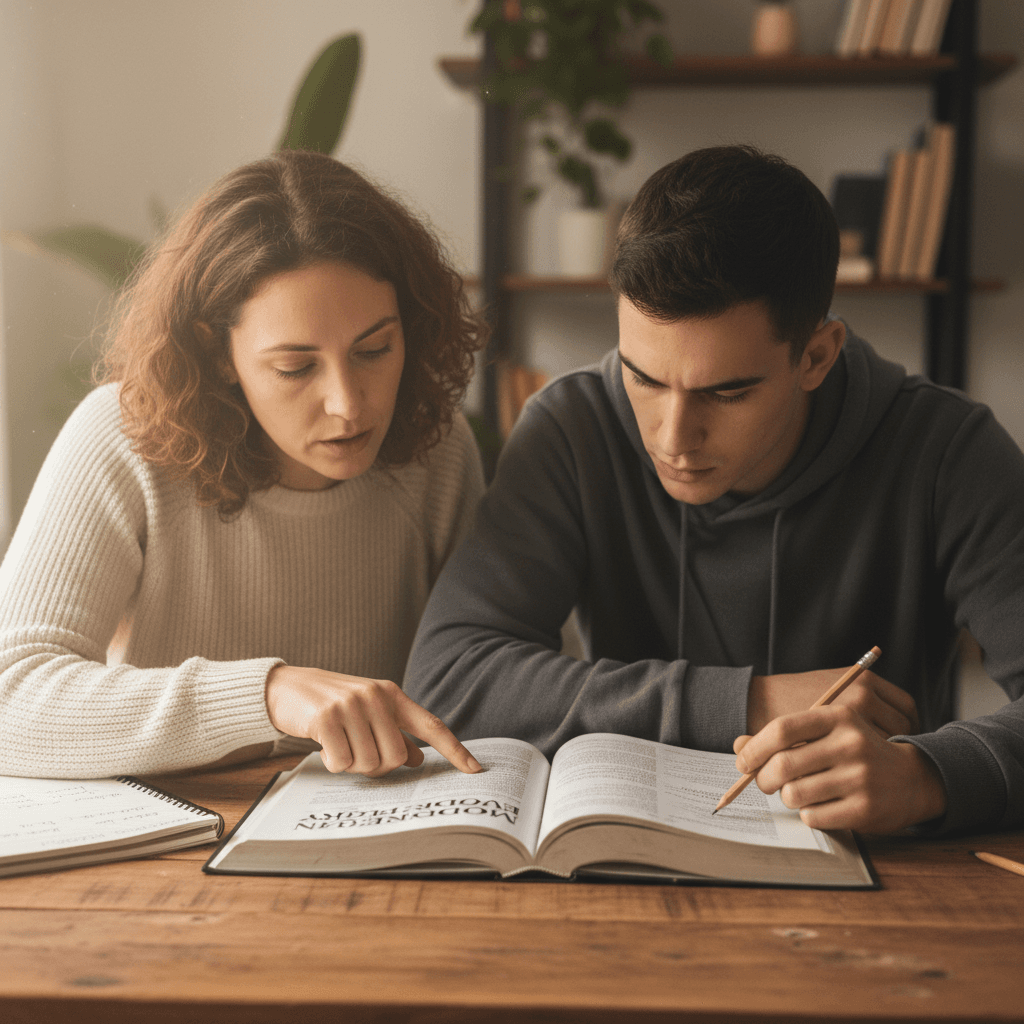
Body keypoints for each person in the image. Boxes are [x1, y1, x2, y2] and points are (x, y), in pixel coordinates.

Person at [405, 145, 1024, 837]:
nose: (673, 437)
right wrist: (748, 702)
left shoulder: (949, 450)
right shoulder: (573, 427)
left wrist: (926, 776)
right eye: (643, 378)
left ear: (816, 356)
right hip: (630, 856)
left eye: (726, 393)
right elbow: (451, 680)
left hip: (889, 875)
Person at [0, 149, 486, 780]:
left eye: (374, 350)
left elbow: (487, 674)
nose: (347, 405)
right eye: (295, 367)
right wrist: (269, 694)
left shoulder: (438, 451)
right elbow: (11, 696)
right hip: (181, 824)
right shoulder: (123, 437)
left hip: (377, 818)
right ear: (217, 353)